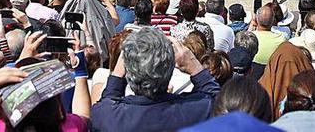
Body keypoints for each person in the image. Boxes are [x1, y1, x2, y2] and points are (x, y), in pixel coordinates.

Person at [91, 28, 221, 131]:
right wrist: (193, 64)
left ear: (127, 70)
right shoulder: (198, 110)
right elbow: (218, 100)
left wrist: (120, 69)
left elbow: (107, 101)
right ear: (170, 69)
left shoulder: (107, 116)